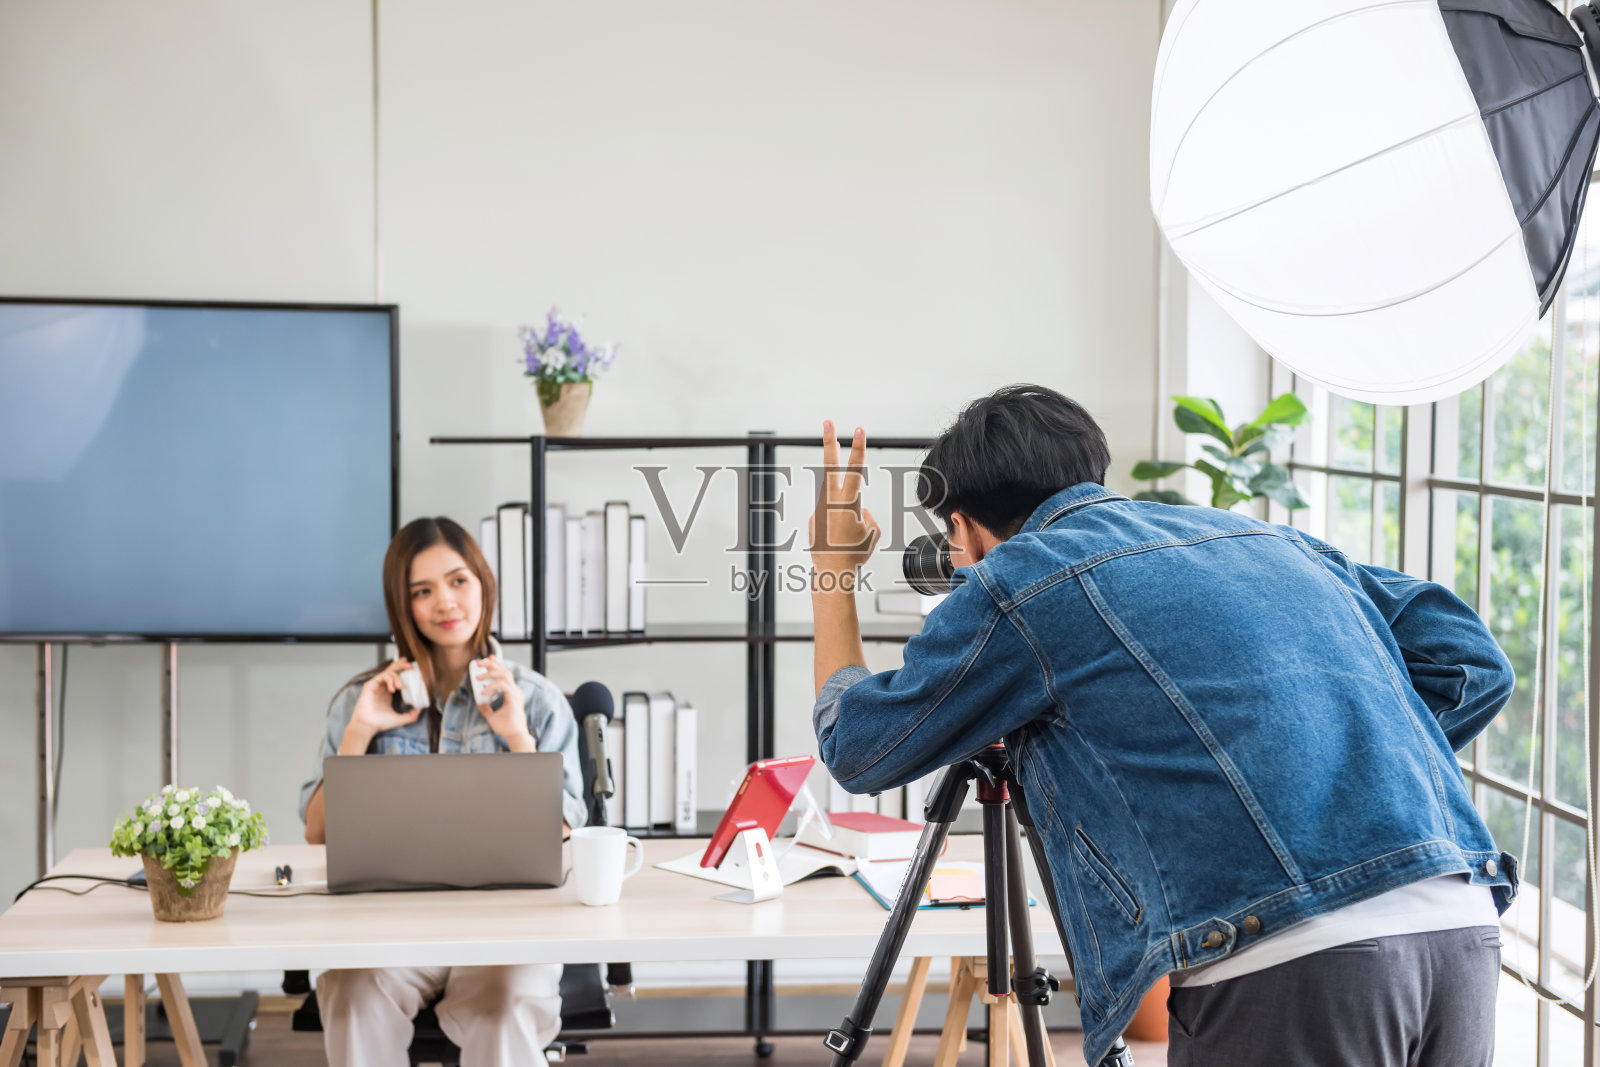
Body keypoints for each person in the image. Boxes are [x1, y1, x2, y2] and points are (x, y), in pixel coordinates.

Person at [807, 387, 1516, 1067]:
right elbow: (1472, 662)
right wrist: (1320, 757)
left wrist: (832, 571)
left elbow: (859, 744)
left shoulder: (1023, 576)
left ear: (960, 526)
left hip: (1294, 960)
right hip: (1461, 921)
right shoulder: (1268, 536)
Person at [299, 516, 587, 1067]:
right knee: (350, 992)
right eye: (422, 591)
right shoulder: (365, 701)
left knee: (502, 1007)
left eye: (458, 581)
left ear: (483, 583)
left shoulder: (538, 701)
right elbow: (317, 833)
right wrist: (361, 731)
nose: (445, 603)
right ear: (401, 606)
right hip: (395, 926)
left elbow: (563, 835)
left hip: (509, 930)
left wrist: (516, 737)